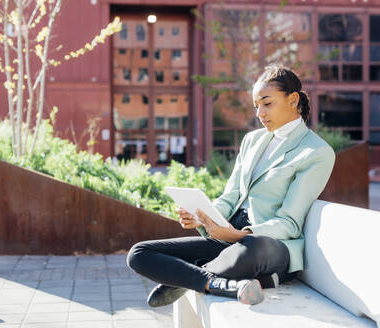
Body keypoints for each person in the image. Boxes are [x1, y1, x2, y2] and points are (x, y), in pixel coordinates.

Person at [127, 63, 336, 306]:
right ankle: (218, 283)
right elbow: (231, 195)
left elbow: (289, 223)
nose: (260, 114)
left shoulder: (317, 152)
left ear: (292, 100)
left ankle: (186, 277)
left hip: (268, 244)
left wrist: (240, 234)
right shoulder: (252, 140)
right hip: (225, 238)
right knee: (139, 253)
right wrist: (205, 217)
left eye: (267, 104)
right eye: (257, 106)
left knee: (249, 250)